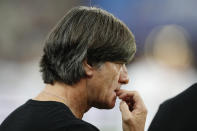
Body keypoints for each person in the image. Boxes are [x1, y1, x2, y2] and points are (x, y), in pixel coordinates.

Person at [0, 6, 147, 131]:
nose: (125, 78)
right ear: (88, 63)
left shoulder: (12, 122)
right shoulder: (73, 128)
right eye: (119, 64)